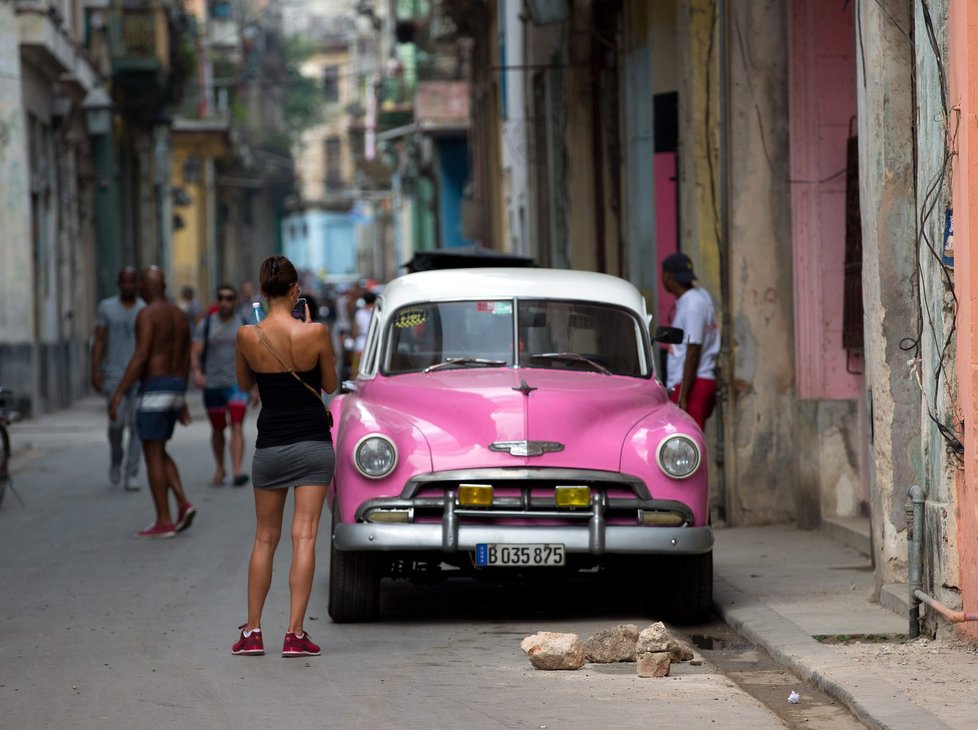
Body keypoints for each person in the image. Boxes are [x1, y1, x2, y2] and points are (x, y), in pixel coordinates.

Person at [232, 255, 337, 658]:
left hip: (270, 445)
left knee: (264, 538)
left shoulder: (247, 334)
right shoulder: (316, 333)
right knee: (304, 536)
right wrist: (309, 329)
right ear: (296, 290)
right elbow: (328, 383)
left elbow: (245, 383)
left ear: (262, 291)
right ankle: (295, 634)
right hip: (313, 443)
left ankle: (253, 631)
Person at [109, 267, 196, 539]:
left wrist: (119, 393)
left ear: (146, 288)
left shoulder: (146, 314)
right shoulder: (180, 316)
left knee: (152, 453)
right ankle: (183, 502)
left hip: (154, 388)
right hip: (175, 386)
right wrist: (181, 399)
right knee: (159, 449)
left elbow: (141, 356)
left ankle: (164, 519)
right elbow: (184, 359)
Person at [192, 284, 254, 487]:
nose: (224, 302)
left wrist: (255, 386)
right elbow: (195, 351)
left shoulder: (243, 324)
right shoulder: (207, 325)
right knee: (218, 428)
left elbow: (252, 357)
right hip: (213, 385)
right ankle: (220, 468)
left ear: (235, 301)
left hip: (237, 384)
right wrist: (198, 372)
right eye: (221, 298)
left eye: (229, 298)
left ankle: (236, 470)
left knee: (237, 425)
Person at [91, 267, 145, 491]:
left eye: (132, 282)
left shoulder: (144, 309)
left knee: (137, 426)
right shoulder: (106, 307)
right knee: (116, 424)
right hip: (114, 375)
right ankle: (116, 458)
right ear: (118, 283)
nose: (128, 286)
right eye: (124, 282)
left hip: (140, 376)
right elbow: (100, 340)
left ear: (137, 284)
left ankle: (131, 473)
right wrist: (95, 370)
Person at [661, 252, 720, 430]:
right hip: (696, 381)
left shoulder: (692, 304)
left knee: (687, 443)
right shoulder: (701, 296)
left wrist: (683, 395)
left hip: (692, 383)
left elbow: (694, 350)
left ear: (668, 276)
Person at [352, 290, 376, 376]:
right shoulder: (377, 312)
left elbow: (355, 331)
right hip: (374, 344)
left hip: (360, 344)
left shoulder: (359, 313)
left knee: (356, 371)